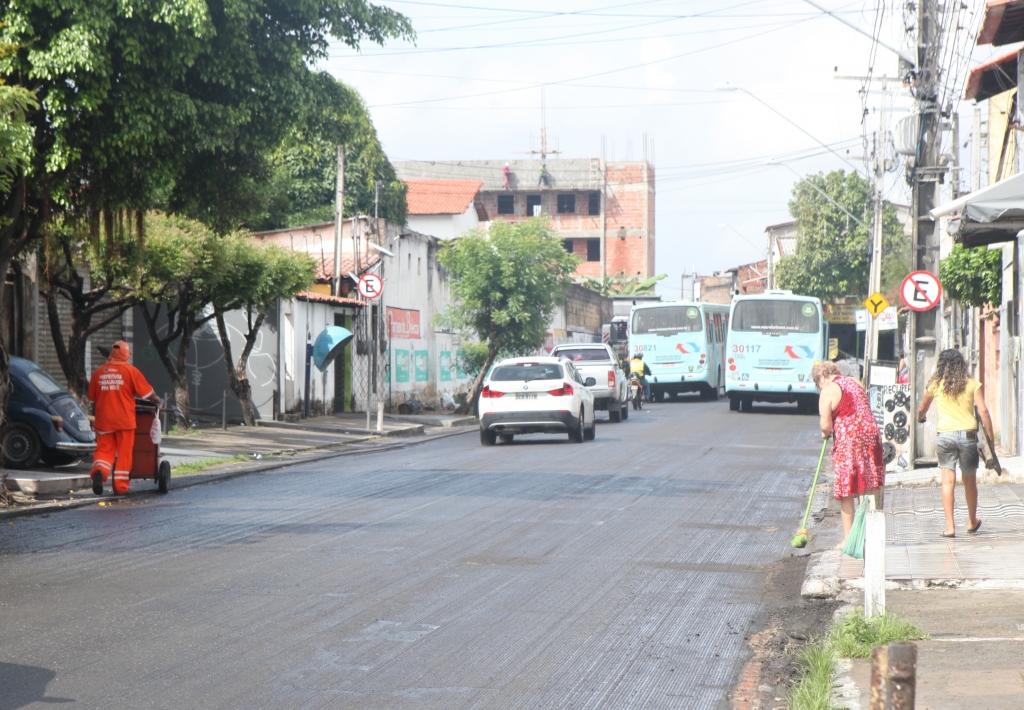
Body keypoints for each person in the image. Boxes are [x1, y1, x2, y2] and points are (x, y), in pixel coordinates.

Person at [917, 348, 994, 537]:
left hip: (945, 436)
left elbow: (922, 408)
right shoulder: (971, 383)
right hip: (968, 436)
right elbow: (984, 411)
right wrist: (990, 439)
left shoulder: (936, 384)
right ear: (961, 364)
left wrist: (921, 418)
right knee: (970, 482)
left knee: (947, 481)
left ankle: (950, 527)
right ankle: (971, 521)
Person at [812, 360, 885, 550]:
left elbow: (825, 425)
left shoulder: (828, 390)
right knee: (868, 485)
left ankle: (849, 539)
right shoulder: (854, 381)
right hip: (871, 434)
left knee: (847, 488)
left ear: (821, 377)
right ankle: (871, 533)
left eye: (817, 382)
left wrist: (825, 433)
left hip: (850, 439)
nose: (819, 387)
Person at [88, 341, 160, 495]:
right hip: (124, 421)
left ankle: (99, 472)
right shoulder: (131, 371)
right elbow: (148, 394)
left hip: (103, 421)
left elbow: (92, 397)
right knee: (124, 454)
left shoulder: (99, 372)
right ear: (126, 355)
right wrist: (156, 399)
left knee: (104, 451)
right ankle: (120, 487)